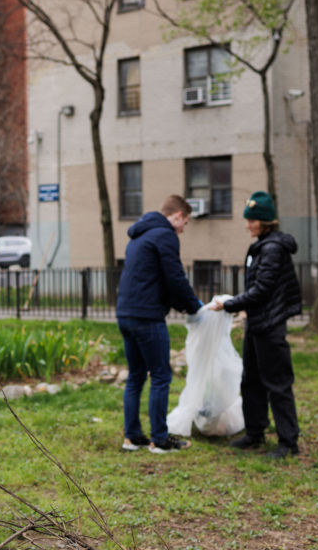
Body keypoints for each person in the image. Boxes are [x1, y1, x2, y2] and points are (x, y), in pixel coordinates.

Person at [209, 191, 302, 459]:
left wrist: (227, 305)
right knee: (250, 380)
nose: (247, 225)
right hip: (257, 323)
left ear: (264, 221)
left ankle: (288, 443)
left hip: (270, 326)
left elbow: (262, 290)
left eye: (252, 220)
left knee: (277, 383)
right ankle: (255, 432)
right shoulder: (263, 244)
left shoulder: (272, 248)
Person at [116, 195, 202, 454]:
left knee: (135, 376)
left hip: (125, 314)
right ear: (177, 215)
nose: (184, 228)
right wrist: (196, 307)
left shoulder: (139, 235)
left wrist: (182, 305)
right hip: (147, 317)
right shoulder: (165, 236)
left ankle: (132, 437)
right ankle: (159, 440)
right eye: (185, 221)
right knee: (161, 375)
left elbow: (156, 281)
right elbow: (174, 278)